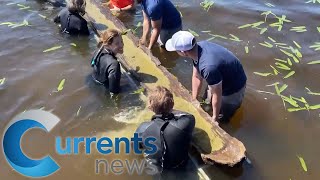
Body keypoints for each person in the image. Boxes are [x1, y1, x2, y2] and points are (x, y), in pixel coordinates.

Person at [165, 31, 247, 124]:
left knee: (222, 115)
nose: (176, 52)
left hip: (234, 86)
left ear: (184, 52)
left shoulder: (208, 68)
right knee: (206, 101)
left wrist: (215, 118)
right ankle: (211, 109)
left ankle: (221, 120)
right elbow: (196, 76)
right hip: (218, 75)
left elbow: (217, 94)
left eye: (176, 50)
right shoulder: (197, 49)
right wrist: (193, 99)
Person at [135, 86, 195, 173]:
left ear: (150, 107)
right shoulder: (186, 121)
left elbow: (136, 148)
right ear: (172, 105)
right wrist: (168, 108)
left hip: (154, 170)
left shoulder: (142, 128)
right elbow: (187, 114)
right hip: (179, 168)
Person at [91, 29, 124, 94]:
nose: (121, 45)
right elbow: (114, 90)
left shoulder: (98, 50)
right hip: (104, 90)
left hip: (94, 81)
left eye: (121, 41)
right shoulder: (114, 64)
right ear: (108, 45)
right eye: (117, 43)